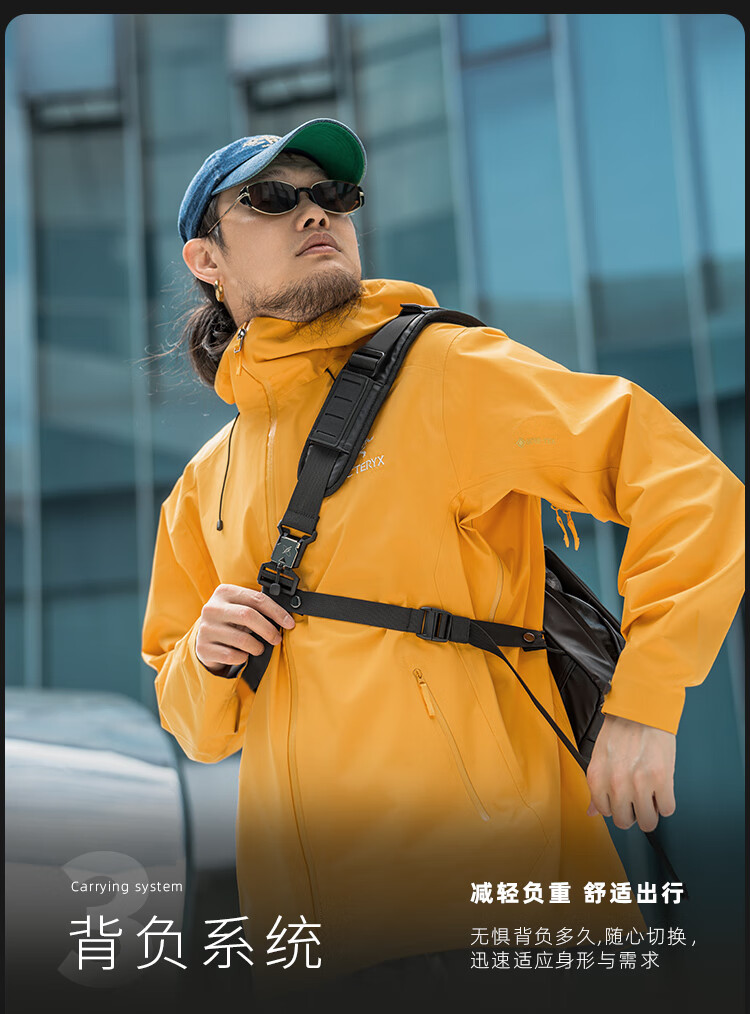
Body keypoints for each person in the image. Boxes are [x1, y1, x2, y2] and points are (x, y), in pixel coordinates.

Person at [142, 118, 745, 1001]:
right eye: (271, 198)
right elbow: (198, 730)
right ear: (207, 260)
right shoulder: (204, 484)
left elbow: (691, 490)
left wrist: (645, 704)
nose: (316, 212)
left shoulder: (448, 371)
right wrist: (204, 656)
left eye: (334, 195)